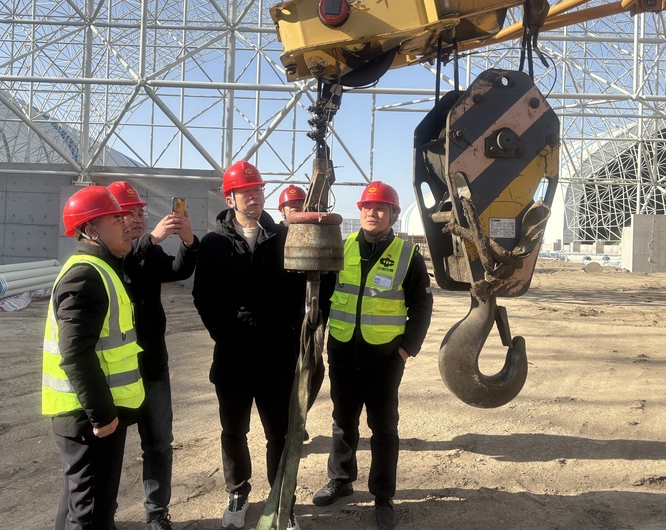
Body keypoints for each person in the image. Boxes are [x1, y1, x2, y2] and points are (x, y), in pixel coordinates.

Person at [311, 181, 433, 530]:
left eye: (381, 208)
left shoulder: (408, 255)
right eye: (367, 207)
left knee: (383, 427)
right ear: (360, 211)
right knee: (342, 419)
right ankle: (341, 480)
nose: (372, 213)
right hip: (342, 350)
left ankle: (382, 495)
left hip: (385, 357)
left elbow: (422, 305)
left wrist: (406, 350)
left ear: (393, 215)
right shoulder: (342, 247)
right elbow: (323, 296)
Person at [192, 160, 303, 530]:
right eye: (245, 191)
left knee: (280, 433)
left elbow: (299, 292)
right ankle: (238, 491)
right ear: (230, 198)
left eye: (258, 190)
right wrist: (225, 333)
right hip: (233, 357)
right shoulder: (214, 244)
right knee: (234, 431)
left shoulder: (283, 238)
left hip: (277, 356)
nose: (254, 196)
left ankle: (282, 499)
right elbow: (203, 297)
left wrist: (288, 333)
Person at [42, 185, 145, 530]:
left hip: (89, 414)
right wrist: (102, 416)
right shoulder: (87, 275)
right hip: (90, 417)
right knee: (91, 515)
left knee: (77, 506)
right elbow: (75, 353)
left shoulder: (100, 268)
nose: (127, 224)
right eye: (117, 219)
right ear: (90, 230)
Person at [106, 181, 199, 530]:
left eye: (140, 213)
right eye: (128, 214)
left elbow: (177, 271)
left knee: (159, 442)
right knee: (110, 447)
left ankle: (157, 511)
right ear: (110, 219)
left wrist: (188, 241)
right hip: (115, 371)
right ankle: (104, 513)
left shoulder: (146, 251)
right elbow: (127, 266)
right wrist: (153, 239)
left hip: (152, 365)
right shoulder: (106, 257)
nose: (137, 219)